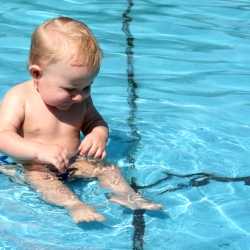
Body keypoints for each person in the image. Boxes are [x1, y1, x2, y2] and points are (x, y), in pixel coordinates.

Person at [0, 16, 162, 223]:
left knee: (107, 168)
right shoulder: (19, 97)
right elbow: (3, 137)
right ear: (37, 73)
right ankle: (75, 205)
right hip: (34, 165)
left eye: (87, 87)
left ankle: (127, 196)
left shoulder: (80, 98)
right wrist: (39, 151)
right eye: (70, 89)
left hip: (75, 162)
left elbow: (96, 122)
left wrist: (98, 135)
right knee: (42, 179)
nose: (80, 96)